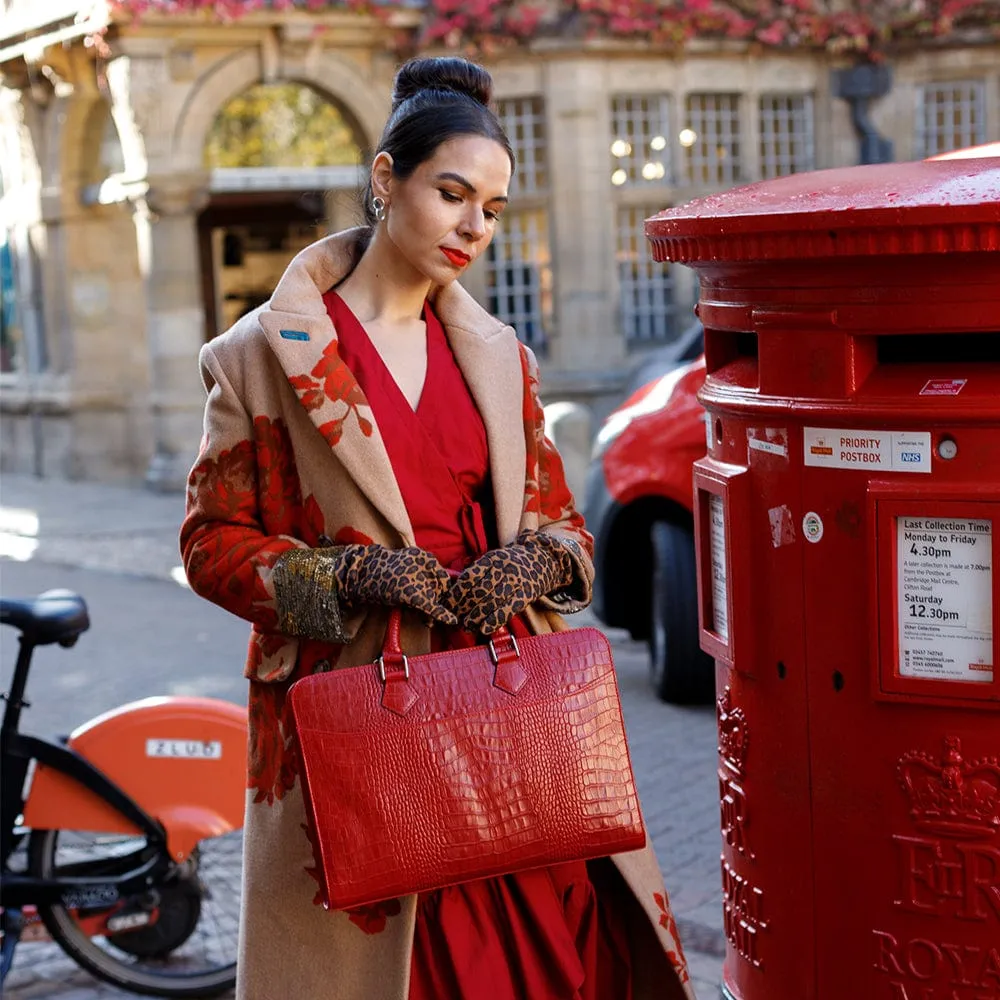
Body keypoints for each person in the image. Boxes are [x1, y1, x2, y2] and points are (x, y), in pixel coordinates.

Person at [181, 56, 693, 1000]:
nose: (474, 228)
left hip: (512, 717)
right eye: (453, 194)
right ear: (386, 180)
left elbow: (568, 529)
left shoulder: (503, 357)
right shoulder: (259, 356)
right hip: (357, 721)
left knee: (547, 963)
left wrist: (529, 564)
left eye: (492, 210)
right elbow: (211, 544)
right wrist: (346, 579)